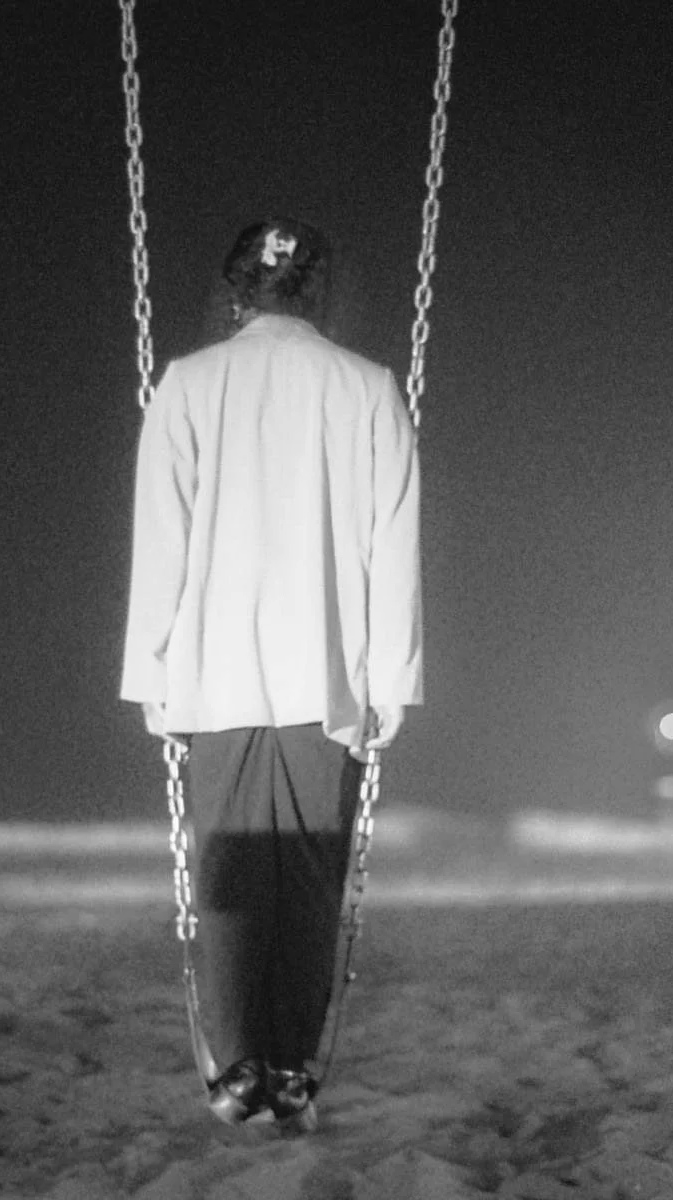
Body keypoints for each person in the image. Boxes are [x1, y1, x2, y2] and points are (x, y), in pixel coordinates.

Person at [121, 217, 423, 1132]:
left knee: (228, 875)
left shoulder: (187, 383)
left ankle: (238, 1065)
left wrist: (151, 668)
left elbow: (161, 535)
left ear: (235, 293)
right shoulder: (367, 386)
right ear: (316, 292)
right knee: (310, 879)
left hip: (215, 668)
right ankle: (292, 1064)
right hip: (327, 670)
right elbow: (393, 542)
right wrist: (392, 678)